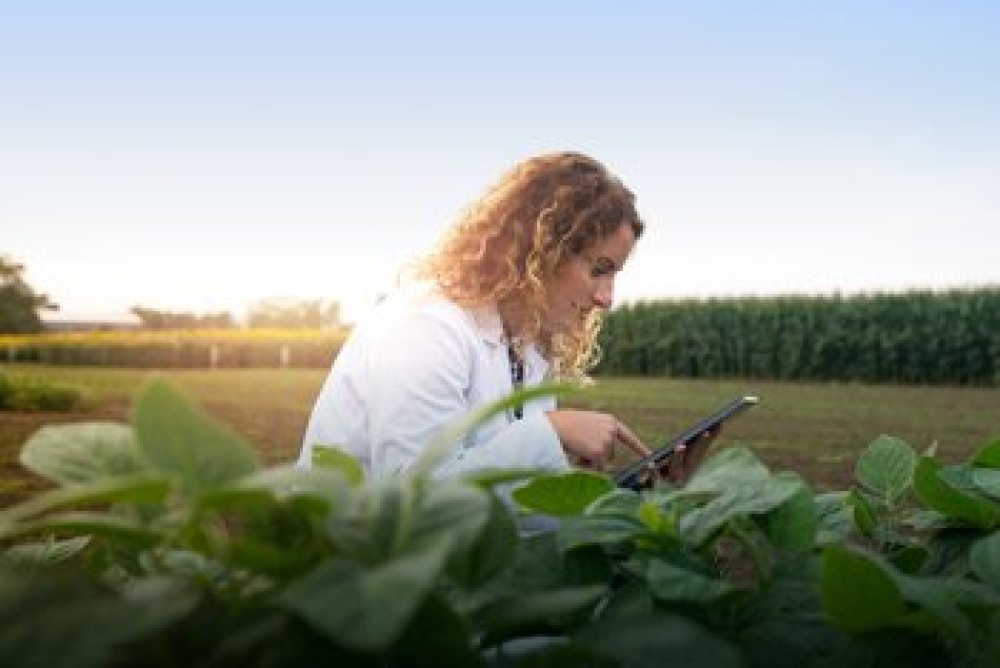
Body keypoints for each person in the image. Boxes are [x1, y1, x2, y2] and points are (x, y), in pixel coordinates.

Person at [298, 151, 699, 483]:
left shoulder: (528, 345)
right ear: (541, 253)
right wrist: (552, 431)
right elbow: (414, 500)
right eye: (599, 268)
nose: (607, 298)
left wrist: (633, 496)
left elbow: (515, 500)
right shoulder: (426, 328)